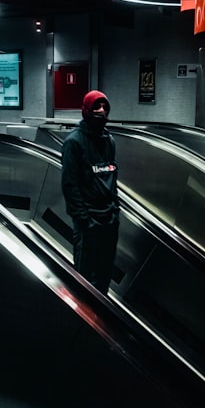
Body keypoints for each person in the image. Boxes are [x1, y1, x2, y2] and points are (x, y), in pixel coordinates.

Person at [61, 90, 119, 293]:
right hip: (88, 223)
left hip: (109, 220)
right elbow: (70, 185)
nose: (102, 111)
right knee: (84, 276)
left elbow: (112, 179)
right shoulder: (73, 142)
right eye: (97, 107)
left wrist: (115, 211)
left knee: (104, 274)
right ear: (86, 110)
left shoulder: (109, 141)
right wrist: (84, 219)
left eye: (104, 106)